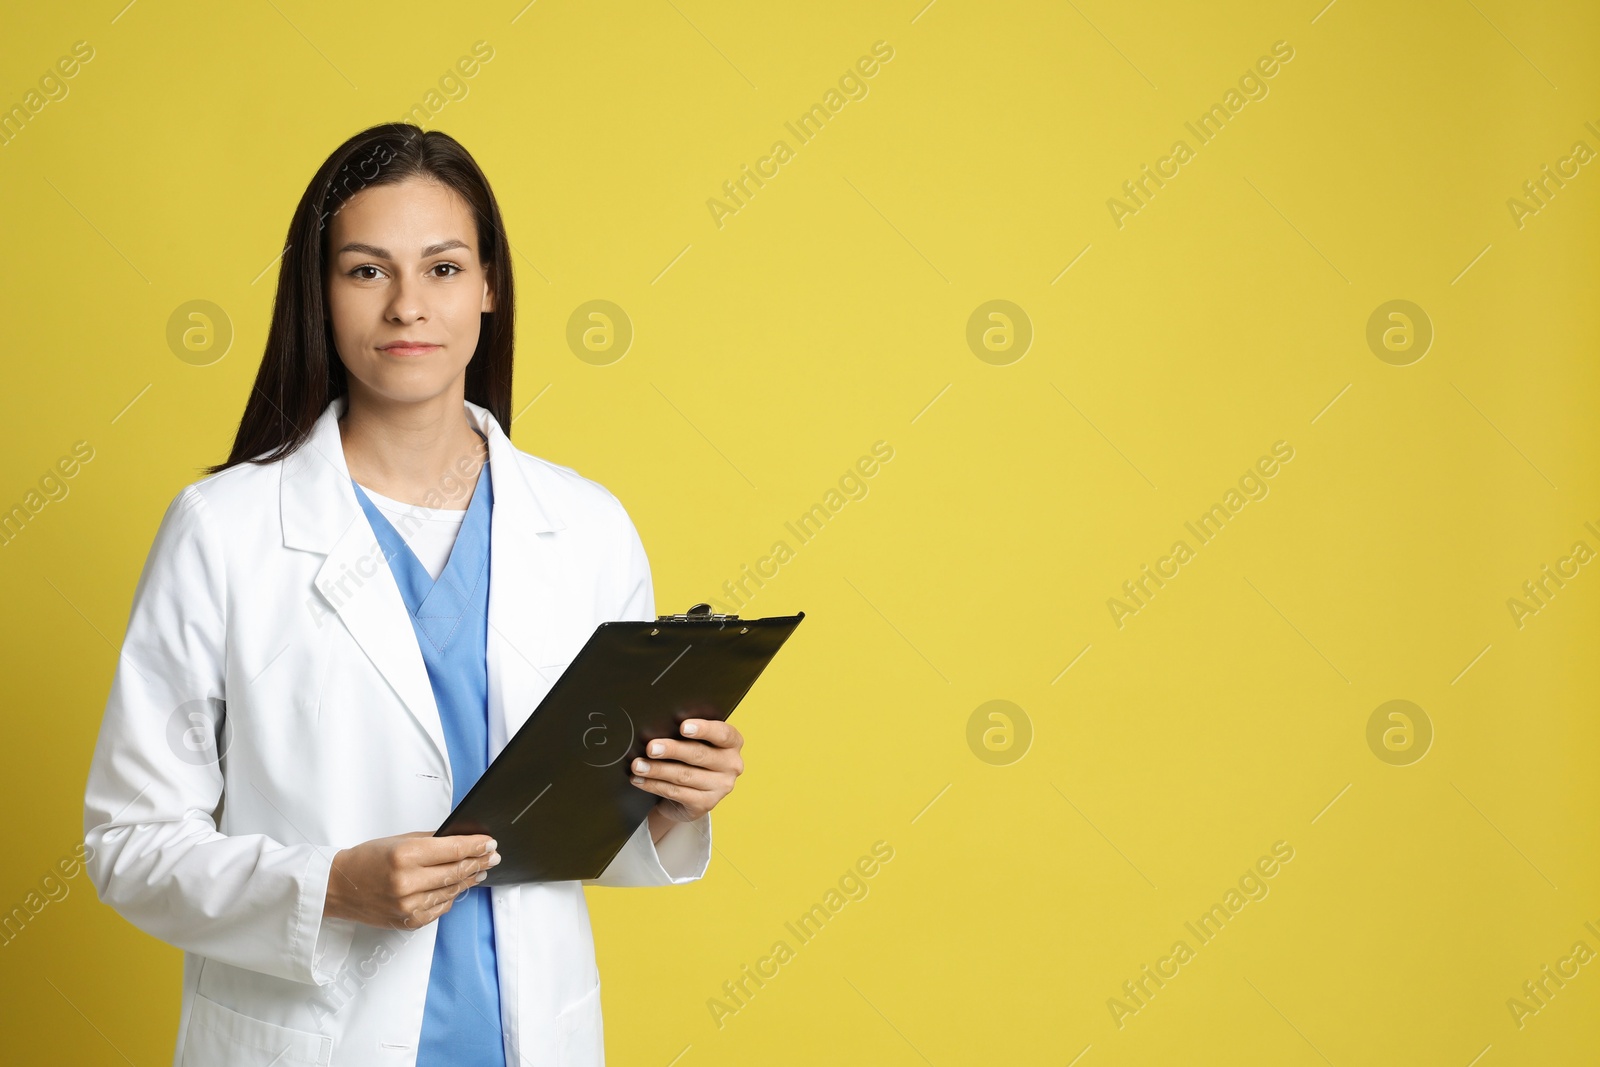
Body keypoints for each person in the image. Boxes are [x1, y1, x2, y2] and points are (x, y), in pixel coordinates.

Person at [81, 122, 745, 1067]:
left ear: (488, 286)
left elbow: (584, 819)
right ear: (319, 291)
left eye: (440, 268)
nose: (406, 307)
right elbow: (129, 843)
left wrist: (673, 802)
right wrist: (330, 888)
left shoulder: (587, 527)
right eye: (365, 270)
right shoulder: (223, 528)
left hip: (525, 1035)